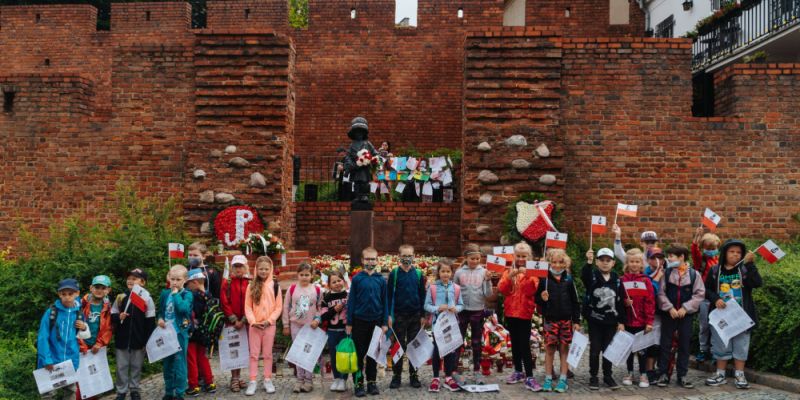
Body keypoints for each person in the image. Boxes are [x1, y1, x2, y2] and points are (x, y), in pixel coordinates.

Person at [704, 239, 762, 389]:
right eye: (732, 251)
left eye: (738, 252)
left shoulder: (744, 270)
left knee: (741, 346)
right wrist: (715, 299)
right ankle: (720, 374)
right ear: (725, 253)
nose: (735, 255)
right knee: (721, 345)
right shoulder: (715, 270)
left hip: (741, 316)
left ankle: (739, 375)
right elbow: (706, 290)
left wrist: (750, 264)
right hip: (721, 316)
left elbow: (757, 283)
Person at [655, 246, 705, 389]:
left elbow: (699, 294)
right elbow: (660, 292)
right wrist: (669, 307)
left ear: (682, 257)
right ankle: (663, 374)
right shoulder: (666, 273)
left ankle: (682, 375)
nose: (669, 259)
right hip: (669, 314)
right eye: (669, 256)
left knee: (684, 345)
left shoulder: (695, 275)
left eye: (672, 256)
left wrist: (686, 308)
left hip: (686, 316)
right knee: (665, 344)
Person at [497, 242, 541, 391]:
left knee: (524, 344)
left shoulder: (533, 271)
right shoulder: (508, 270)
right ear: (514, 256)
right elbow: (502, 289)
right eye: (519, 256)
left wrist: (526, 274)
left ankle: (529, 376)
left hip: (524, 313)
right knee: (514, 343)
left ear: (529, 257)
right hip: (510, 312)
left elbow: (531, 290)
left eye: (524, 256)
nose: (521, 258)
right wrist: (510, 276)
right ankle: (518, 371)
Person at [37, 278, 90, 400]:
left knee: (71, 391)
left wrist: (83, 327)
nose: (67, 297)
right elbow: (42, 337)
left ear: (77, 293)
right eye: (63, 294)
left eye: (70, 293)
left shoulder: (79, 313)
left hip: (70, 361)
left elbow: (84, 336)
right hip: (51, 360)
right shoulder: (51, 313)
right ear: (59, 294)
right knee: (48, 394)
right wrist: (46, 359)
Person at [346, 247, 389, 397]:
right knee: (359, 354)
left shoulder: (381, 280)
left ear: (377, 261)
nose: (370, 262)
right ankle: (358, 383)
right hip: (359, 322)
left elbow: (385, 302)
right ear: (363, 261)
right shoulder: (357, 279)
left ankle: (372, 383)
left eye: (373, 259)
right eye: (368, 259)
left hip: (376, 322)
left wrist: (384, 322)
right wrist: (349, 323)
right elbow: (351, 302)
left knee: (372, 354)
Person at [536, 248, 580, 393]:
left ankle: (563, 379)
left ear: (565, 263)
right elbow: (537, 301)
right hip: (550, 320)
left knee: (563, 350)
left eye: (560, 262)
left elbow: (575, 302)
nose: (557, 265)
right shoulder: (544, 279)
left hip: (566, 320)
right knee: (549, 350)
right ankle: (548, 378)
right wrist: (542, 298)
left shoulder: (569, 279)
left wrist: (577, 321)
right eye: (553, 262)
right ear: (549, 263)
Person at [581, 248, 625, 390]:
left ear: (613, 263)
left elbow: (620, 300)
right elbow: (584, 276)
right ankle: (593, 376)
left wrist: (621, 321)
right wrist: (588, 263)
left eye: (608, 260)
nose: (605, 263)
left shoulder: (617, 279)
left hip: (611, 321)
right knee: (595, 349)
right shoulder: (592, 275)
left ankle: (608, 376)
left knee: (608, 350)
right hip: (595, 320)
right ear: (597, 262)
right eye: (602, 260)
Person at [111, 269, 156, 400]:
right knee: (121, 366)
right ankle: (121, 391)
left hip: (139, 339)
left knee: (136, 366)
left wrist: (147, 341)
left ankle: (135, 389)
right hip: (122, 338)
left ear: (143, 282)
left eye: (134, 279)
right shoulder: (121, 297)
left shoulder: (147, 298)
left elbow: (150, 321)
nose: (130, 281)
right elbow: (112, 314)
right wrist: (119, 316)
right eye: (129, 278)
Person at [453, 243, 494, 385]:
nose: (475, 261)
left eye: (478, 259)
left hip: (477, 310)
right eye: (472, 259)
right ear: (466, 258)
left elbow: (488, 294)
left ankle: (477, 370)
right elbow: (454, 291)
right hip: (462, 311)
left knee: (476, 342)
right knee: (458, 341)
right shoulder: (459, 273)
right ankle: (454, 370)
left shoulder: (483, 272)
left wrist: (488, 281)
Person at [386, 244, 426, 389]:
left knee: (413, 346)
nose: (407, 258)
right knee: (398, 346)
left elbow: (422, 296)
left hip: (415, 315)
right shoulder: (394, 274)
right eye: (404, 256)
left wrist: (423, 315)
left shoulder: (418, 274)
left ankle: (414, 375)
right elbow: (389, 296)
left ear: (414, 256)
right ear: (399, 256)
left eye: (409, 256)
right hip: (399, 315)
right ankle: (396, 376)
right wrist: (389, 316)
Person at [424, 259, 464, 392]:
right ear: (438, 272)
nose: (445, 274)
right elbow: (426, 305)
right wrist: (437, 308)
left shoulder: (456, 288)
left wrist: (456, 309)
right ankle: (435, 377)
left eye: (448, 271)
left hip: (452, 325)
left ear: (452, 273)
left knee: (450, 350)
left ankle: (448, 376)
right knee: (437, 349)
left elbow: (461, 305)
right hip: (438, 324)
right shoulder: (433, 288)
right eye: (443, 271)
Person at [244, 256, 282, 395]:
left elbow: (278, 308)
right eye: (261, 269)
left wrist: (270, 320)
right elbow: (248, 307)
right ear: (256, 269)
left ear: (270, 269)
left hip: (269, 326)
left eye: (266, 269)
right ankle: (252, 380)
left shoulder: (275, 285)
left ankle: (267, 379)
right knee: (254, 354)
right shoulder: (251, 285)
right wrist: (253, 321)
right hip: (255, 326)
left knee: (267, 354)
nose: (263, 271)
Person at [282, 262, 323, 393]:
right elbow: (286, 307)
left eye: (307, 275)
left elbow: (320, 308)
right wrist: (286, 325)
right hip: (296, 325)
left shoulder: (316, 290)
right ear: (297, 275)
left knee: (308, 353)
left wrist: (317, 319)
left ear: (312, 276)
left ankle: (309, 380)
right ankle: (299, 379)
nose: (304, 277)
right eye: (302, 274)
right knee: (298, 353)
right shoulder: (292, 289)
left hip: (310, 327)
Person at [619, 249, 656, 388]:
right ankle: (629, 372)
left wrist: (649, 321)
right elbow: (618, 300)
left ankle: (643, 373)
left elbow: (650, 302)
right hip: (628, 321)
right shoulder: (622, 280)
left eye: (637, 262)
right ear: (627, 264)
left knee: (642, 350)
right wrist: (625, 302)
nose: (634, 264)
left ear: (641, 264)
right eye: (631, 262)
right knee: (628, 349)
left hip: (641, 321)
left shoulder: (645, 281)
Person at [158, 265, 194, 400]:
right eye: (172, 279)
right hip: (166, 333)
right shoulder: (164, 293)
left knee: (179, 363)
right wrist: (160, 319)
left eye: (178, 279)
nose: (174, 282)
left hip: (179, 332)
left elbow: (184, 309)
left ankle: (179, 392)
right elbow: (161, 311)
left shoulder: (187, 294)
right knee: (167, 362)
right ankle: (169, 391)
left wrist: (176, 295)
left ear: (185, 280)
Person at [76, 275, 113, 400]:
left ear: (108, 290)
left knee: (95, 377)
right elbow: (75, 325)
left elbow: (108, 328)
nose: (99, 290)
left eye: (103, 288)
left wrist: (100, 343)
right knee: (80, 378)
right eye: (97, 287)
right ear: (91, 288)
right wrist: (82, 345)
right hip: (81, 346)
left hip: (96, 347)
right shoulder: (81, 304)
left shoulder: (108, 307)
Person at [220, 255, 251, 393]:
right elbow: (224, 302)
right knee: (233, 350)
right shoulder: (227, 282)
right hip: (231, 322)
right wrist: (234, 320)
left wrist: (243, 320)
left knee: (243, 350)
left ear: (246, 267)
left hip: (245, 322)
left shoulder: (249, 282)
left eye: (241, 266)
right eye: (236, 266)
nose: (238, 269)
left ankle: (239, 377)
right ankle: (234, 378)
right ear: (232, 268)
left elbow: (251, 302)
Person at [691, 228, 721, 362]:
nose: (711, 249)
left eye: (713, 247)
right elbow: (694, 250)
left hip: (717, 297)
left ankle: (715, 351)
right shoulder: (701, 261)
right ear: (703, 247)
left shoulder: (720, 260)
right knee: (704, 325)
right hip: (704, 298)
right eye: (708, 247)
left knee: (716, 326)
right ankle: (703, 349)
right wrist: (697, 236)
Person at [185, 269, 216, 396]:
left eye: (188, 283)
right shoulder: (207, 294)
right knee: (202, 357)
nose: (186, 285)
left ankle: (194, 385)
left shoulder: (190, 295)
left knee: (191, 358)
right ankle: (209, 383)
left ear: (195, 282)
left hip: (192, 331)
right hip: (204, 331)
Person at [321, 271, 350, 392]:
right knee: (333, 356)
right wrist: (334, 309)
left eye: (339, 280)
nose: (337, 283)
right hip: (332, 331)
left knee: (344, 355)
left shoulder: (348, 295)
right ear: (329, 284)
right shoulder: (326, 297)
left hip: (345, 330)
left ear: (343, 281)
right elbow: (323, 316)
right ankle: (336, 378)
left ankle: (343, 379)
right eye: (334, 282)